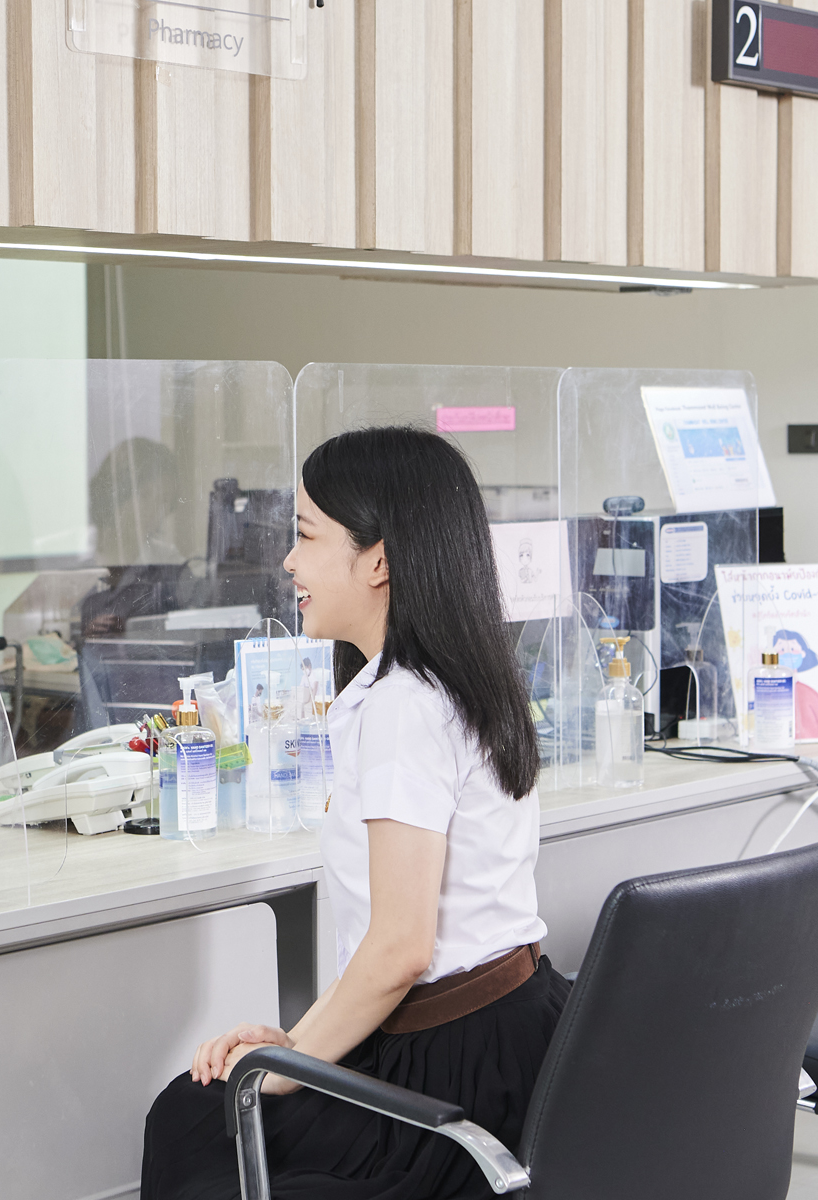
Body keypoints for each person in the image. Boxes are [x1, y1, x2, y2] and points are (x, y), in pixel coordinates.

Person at [141, 426, 568, 1199]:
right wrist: (293, 1046)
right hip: (517, 1036)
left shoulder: (404, 707)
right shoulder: (459, 678)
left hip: (452, 1075)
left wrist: (276, 1070)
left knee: (195, 1120)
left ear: (379, 559)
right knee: (207, 1110)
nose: (289, 563)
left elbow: (401, 949)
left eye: (305, 537)